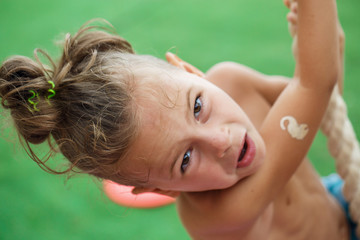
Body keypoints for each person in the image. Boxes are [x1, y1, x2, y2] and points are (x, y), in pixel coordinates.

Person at [0, 0, 355, 239]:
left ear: (191, 71)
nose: (221, 141)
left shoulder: (233, 80)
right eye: (185, 159)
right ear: (161, 190)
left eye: (198, 106)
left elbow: (323, 103)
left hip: (339, 198)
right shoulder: (217, 216)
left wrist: (326, 43)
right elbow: (312, 84)